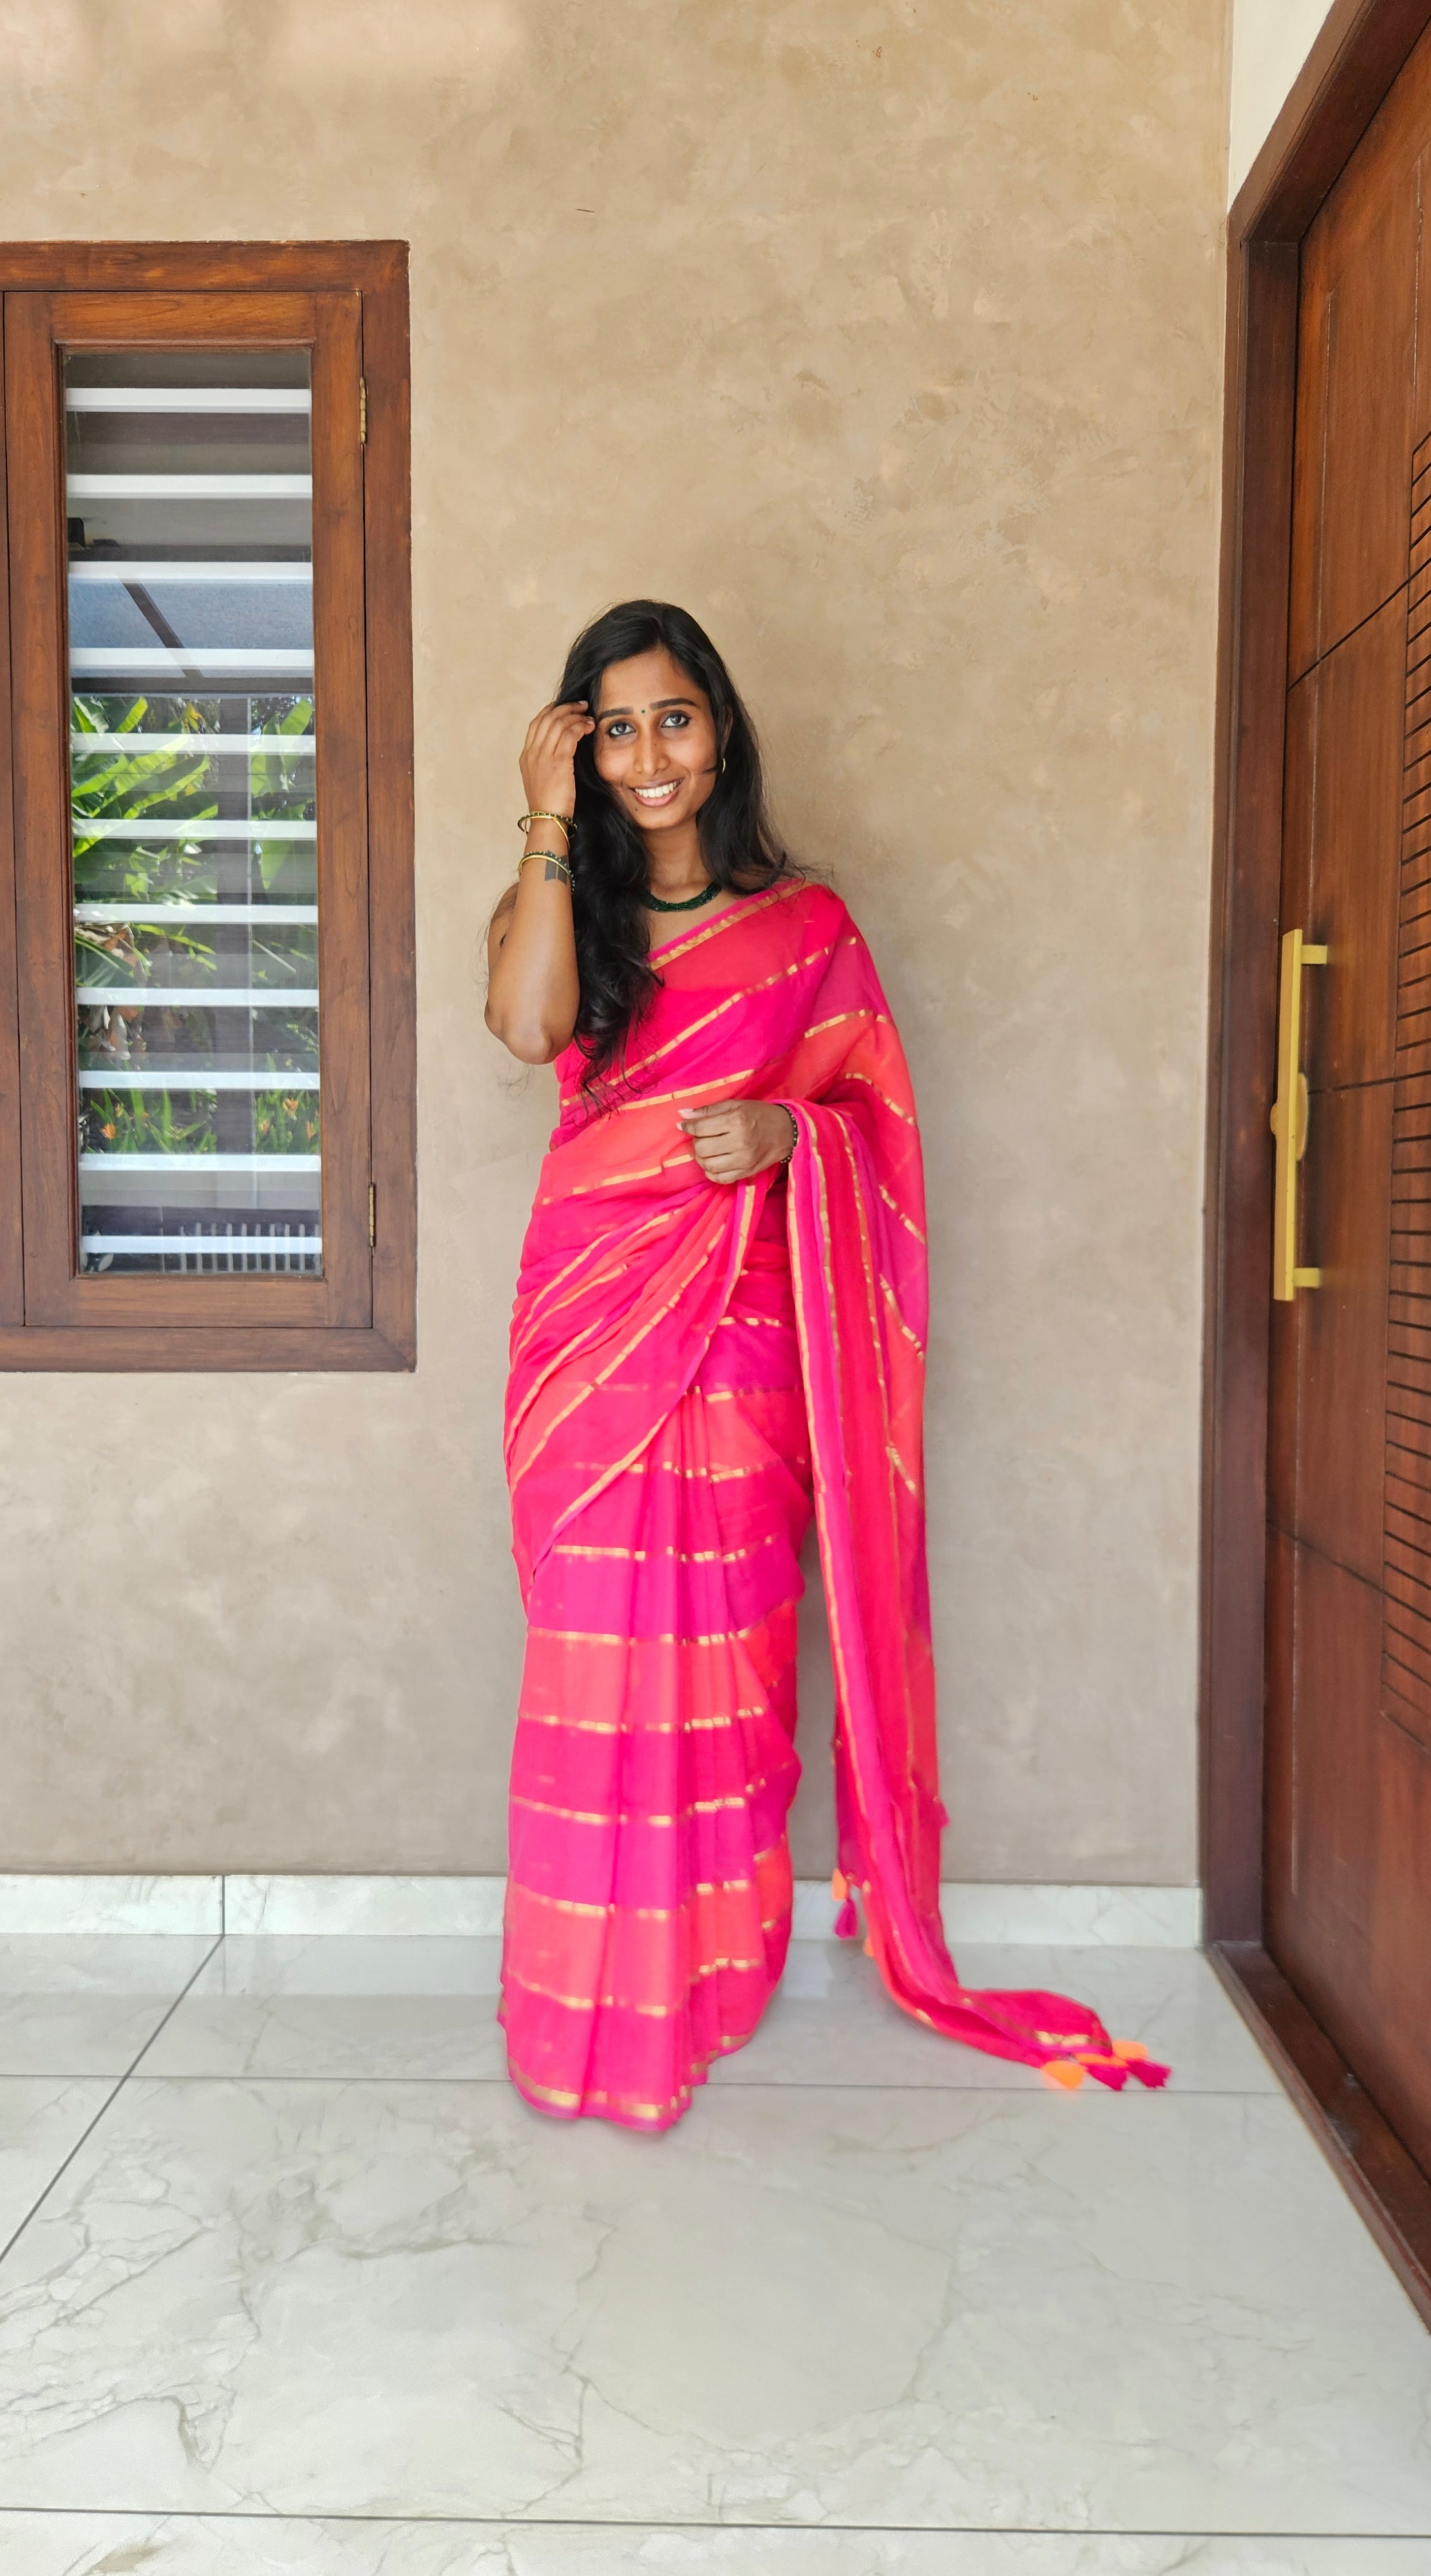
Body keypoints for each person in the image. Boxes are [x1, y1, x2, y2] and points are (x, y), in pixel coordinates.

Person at [486, 600, 1166, 2131]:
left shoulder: (810, 930)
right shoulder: (564, 906)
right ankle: (581, 2005)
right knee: (592, 1654)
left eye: (674, 718)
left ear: (720, 727)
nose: (649, 755)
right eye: (613, 728)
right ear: (578, 747)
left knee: (724, 1654)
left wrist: (794, 1133)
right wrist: (542, 822)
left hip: (739, 1343)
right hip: (588, 1332)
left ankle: (706, 1985)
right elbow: (528, 1028)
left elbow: (880, 1131)